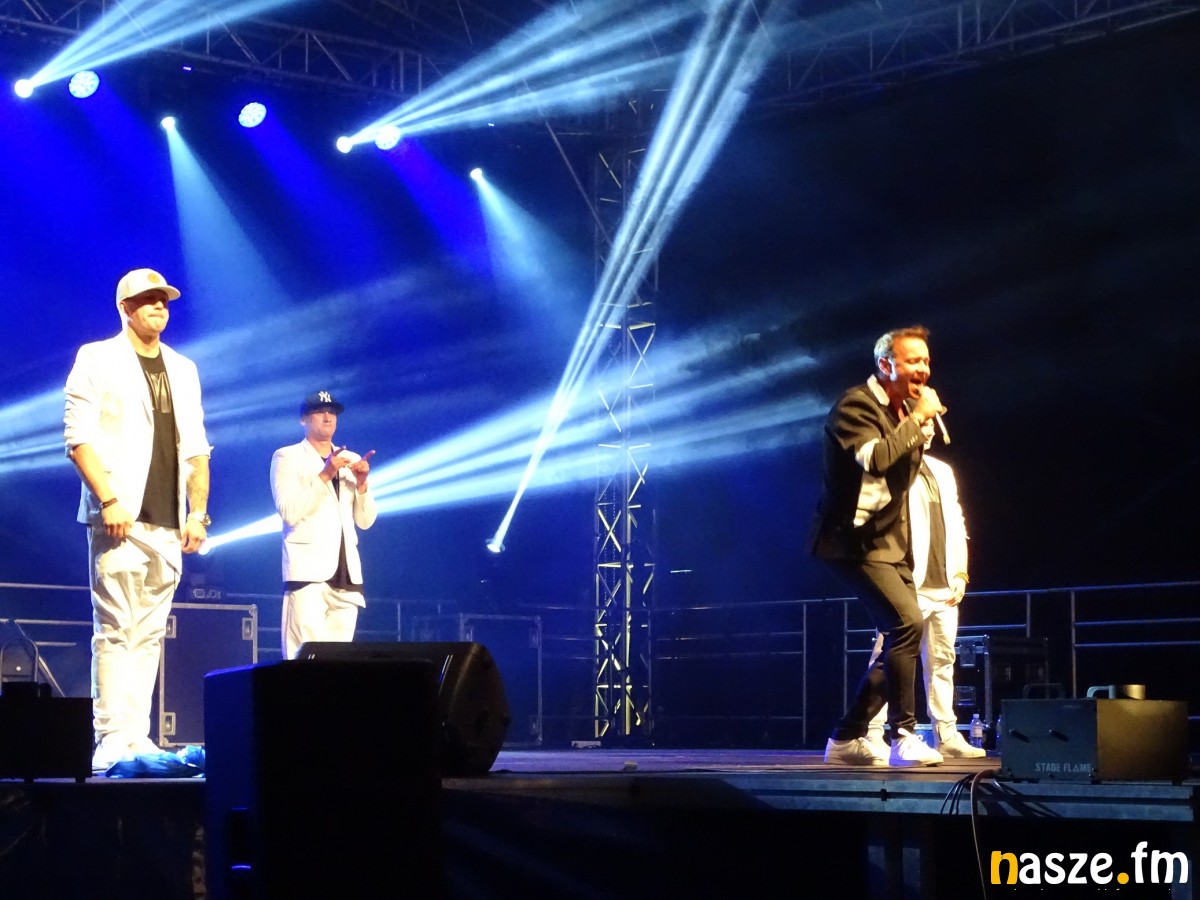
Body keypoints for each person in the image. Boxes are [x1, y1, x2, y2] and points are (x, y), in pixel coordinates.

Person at [64, 267, 212, 773]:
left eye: (164, 300)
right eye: (148, 300)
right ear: (124, 308)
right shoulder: (97, 358)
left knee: (149, 634)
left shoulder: (183, 369)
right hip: (120, 517)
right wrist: (108, 499)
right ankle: (111, 738)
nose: (159, 307)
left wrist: (198, 513)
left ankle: (137, 735)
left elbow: (196, 447)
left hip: (168, 522)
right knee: (114, 629)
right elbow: (79, 438)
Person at [810, 324, 946, 767]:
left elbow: (900, 480)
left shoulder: (900, 410)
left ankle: (846, 738)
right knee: (907, 624)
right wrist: (918, 421)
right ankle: (903, 734)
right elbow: (876, 459)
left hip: (888, 543)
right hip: (852, 541)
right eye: (913, 360)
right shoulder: (856, 405)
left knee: (904, 635)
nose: (923, 369)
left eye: (926, 361)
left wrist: (917, 426)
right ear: (886, 365)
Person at [863, 450, 986, 759]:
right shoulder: (893, 463)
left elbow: (957, 522)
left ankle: (946, 734)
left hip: (944, 584)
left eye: (932, 426)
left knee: (943, 660)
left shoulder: (942, 469)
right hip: (907, 581)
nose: (929, 429)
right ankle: (872, 731)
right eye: (924, 425)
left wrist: (960, 572)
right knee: (888, 658)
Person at [271, 390, 376, 659]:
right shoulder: (287, 457)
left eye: (332, 413)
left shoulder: (351, 458)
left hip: (347, 575)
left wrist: (362, 484)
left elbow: (365, 521)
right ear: (303, 419)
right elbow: (290, 512)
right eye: (320, 412)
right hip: (308, 573)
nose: (328, 417)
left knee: (337, 664)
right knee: (302, 661)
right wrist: (326, 473)